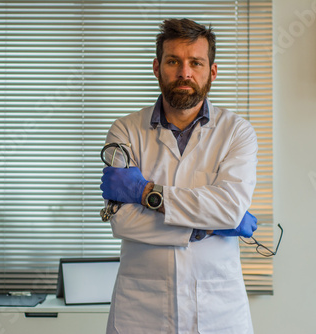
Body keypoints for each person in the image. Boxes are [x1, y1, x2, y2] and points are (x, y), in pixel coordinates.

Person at [100, 18, 258, 334]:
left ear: (211, 72)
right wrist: (206, 227)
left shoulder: (237, 132)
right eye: (174, 61)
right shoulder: (126, 130)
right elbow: (122, 220)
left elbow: (229, 209)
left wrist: (145, 194)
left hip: (218, 310)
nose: (184, 73)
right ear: (157, 67)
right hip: (142, 309)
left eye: (195, 62)